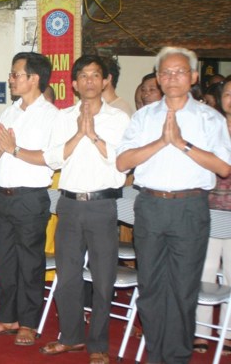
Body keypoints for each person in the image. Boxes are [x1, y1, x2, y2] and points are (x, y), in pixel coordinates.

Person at [116, 47, 231, 364]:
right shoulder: (144, 117)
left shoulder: (209, 118)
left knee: (182, 289)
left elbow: (223, 167)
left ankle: (177, 358)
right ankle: (156, 355)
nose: (172, 77)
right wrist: (160, 142)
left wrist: (182, 144)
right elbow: (122, 162)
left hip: (189, 208)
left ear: (193, 76)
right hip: (150, 206)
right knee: (150, 288)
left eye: (180, 71)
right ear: (157, 77)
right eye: (165, 72)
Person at [40, 55, 129, 364]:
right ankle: (71, 337)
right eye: (83, 76)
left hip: (102, 205)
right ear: (74, 84)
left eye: (95, 75)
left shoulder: (119, 119)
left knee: (103, 279)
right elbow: (53, 159)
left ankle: (99, 344)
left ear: (105, 81)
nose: (89, 81)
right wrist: (79, 133)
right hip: (69, 204)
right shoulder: (63, 117)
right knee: (67, 275)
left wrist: (93, 135)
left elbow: (121, 164)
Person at [0, 52, 58, 345]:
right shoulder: (8, 112)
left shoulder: (52, 116)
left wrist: (13, 149)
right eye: (12, 74)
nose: (10, 79)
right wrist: (0, 149)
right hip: (0, 196)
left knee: (30, 263)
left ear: (34, 79)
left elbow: (52, 159)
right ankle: (8, 317)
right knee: (5, 262)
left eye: (16, 74)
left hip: (29, 198)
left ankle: (29, 323)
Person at [194, 79, 231, 354]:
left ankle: (228, 333)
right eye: (228, 93)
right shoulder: (211, 126)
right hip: (208, 208)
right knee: (204, 271)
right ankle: (201, 331)